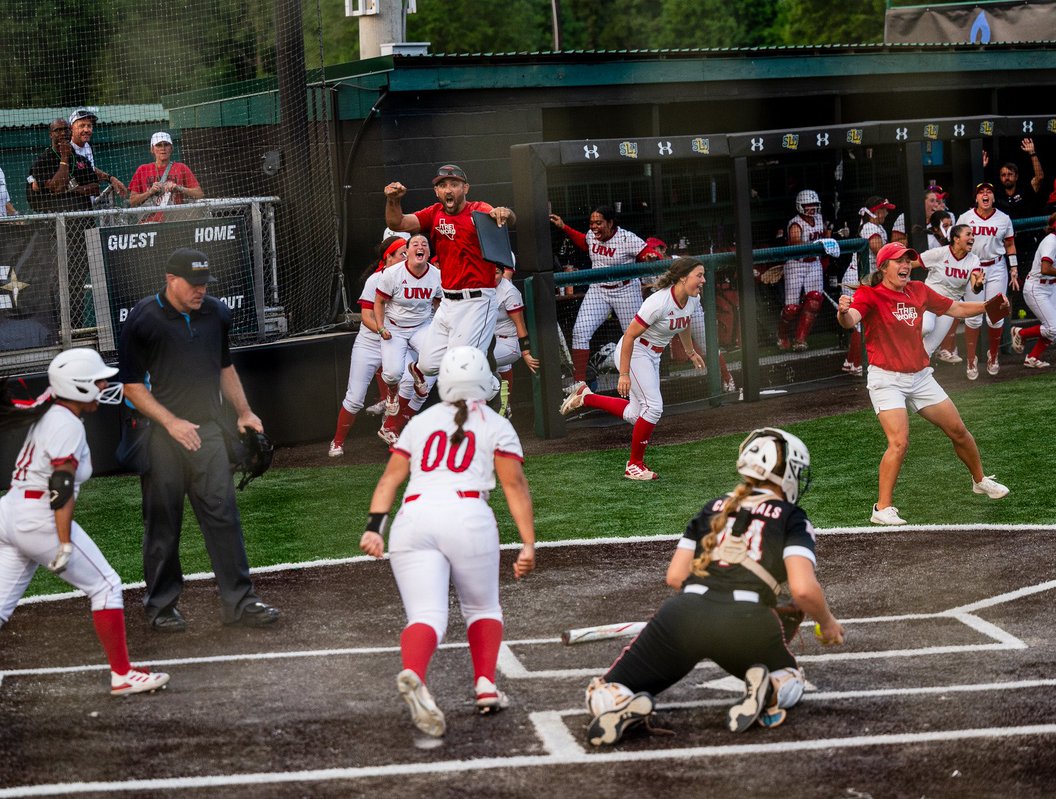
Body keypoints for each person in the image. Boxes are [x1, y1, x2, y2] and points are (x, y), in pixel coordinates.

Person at [0, 349, 170, 707]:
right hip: (38, 517)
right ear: (77, 387)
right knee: (106, 586)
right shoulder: (66, 423)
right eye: (96, 381)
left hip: (9, 514)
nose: (103, 385)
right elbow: (61, 484)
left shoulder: (53, 406)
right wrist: (63, 542)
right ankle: (122, 676)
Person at [583, 428, 843, 746]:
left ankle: (622, 705)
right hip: (747, 621)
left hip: (684, 614)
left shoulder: (712, 507)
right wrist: (828, 624)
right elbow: (803, 590)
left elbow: (676, 577)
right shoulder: (792, 517)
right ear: (786, 472)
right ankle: (769, 689)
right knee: (791, 681)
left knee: (603, 691)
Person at [359, 346, 536, 739]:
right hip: (467, 517)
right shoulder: (496, 424)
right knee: (482, 607)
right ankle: (486, 686)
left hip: (412, 519)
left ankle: (415, 673)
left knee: (426, 617)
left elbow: (389, 480)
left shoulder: (419, 424)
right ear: (484, 385)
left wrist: (375, 528)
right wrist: (528, 543)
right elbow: (513, 485)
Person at [118, 248, 280, 631]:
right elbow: (130, 387)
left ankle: (240, 603)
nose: (200, 290)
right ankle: (161, 607)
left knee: (223, 516)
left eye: (205, 283)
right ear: (170, 280)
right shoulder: (144, 319)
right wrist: (172, 423)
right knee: (163, 523)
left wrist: (244, 412)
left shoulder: (216, 314)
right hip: (160, 435)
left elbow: (224, 367)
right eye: (193, 284)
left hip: (207, 433)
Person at [836, 242, 1010, 526]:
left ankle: (980, 481)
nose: (906, 265)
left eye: (908, 260)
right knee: (899, 442)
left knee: (959, 431)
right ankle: (882, 508)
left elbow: (955, 307)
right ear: (883, 267)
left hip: (920, 376)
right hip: (886, 379)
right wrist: (843, 312)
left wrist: (988, 306)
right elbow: (850, 319)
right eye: (898, 261)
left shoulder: (918, 290)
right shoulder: (870, 294)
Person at [559, 258, 707, 481]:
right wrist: (624, 374)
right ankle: (634, 465)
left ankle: (586, 397)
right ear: (683, 277)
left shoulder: (692, 299)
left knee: (636, 414)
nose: (703, 280)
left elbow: (683, 323)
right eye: (699, 275)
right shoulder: (659, 302)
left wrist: (690, 352)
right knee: (654, 408)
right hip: (635, 352)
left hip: (653, 355)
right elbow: (629, 336)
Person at [384, 164, 515, 387]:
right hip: (447, 302)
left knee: (461, 368)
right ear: (436, 192)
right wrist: (393, 200)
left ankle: (491, 387)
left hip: (477, 301)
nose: (448, 190)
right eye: (442, 185)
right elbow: (397, 223)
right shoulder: (434, 213)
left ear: (465, 188)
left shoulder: (478, 209)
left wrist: (504, 213)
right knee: (426, 366)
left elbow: (506, 218)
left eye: (454, 184)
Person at [548, 207, 648, 384]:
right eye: (592, 223)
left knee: (635, 338)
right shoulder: (591, 235)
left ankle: (640, 381)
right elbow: (585, 243)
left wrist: (651, 257)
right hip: (599, 290)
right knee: (580, 332)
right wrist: (564, 227)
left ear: (610, 223)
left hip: (626, 290)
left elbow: (647, 253)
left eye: (598, 223)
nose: (594, 227)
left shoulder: (627, 238)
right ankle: (580, 385)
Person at [330, 237, 410, 456]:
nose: (406, 257)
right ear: (389, 257)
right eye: (402, 253)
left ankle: (390, 430)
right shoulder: (377, 279)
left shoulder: (413, 278)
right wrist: (384, 331)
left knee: (410, 388)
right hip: (371, 343)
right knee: (355, 398)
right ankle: (337, 442)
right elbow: (366, 316)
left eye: (407, 252)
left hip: (397, 343)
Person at [374, 233, 442, 439]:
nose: (420, 247)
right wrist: (380, 327)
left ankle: (418, 372)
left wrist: (440, 324)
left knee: (438, 360)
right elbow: (379, 302)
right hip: (394, 328)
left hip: (421, 325)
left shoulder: (436, 275)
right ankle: (393, 396)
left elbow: (439, 303)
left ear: (429, 253)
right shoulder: (392, 273)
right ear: (407, 251)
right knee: (393, 374)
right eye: (415, 244)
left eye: (424, 244)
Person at [955, 183, 1018, 379]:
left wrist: (1014, 267)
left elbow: (1009, 244)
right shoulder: (965, 218)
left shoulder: (1003, 218)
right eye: (981, 192)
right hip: (974, 266)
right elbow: (957, 243)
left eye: (989, 191)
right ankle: (971, 359)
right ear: (976, 198)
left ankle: (993, 355)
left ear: (993, 197)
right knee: (973, 316)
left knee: (995, 314)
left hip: (997, 266)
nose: (985, 195)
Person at [839, 196, 895, 376]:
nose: (885, 213)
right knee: (860, 324)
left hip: (864, 279)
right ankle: (857, 364)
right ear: (873, 211)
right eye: (882, 210)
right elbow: (880, 253)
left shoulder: (875, 226)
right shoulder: (870, 228)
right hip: (857, 281)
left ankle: (850, 362)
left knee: (862, 323)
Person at [919, 224, 983, 356]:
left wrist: (978, 284)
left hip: (949, 306)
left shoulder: (974, 260)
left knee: (928, 349)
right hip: (930, 299)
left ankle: (914, 374)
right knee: (925, 327)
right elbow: (911, 263)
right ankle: (901, 349)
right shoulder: (940, 253)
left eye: (973, 235)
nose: (972, 237)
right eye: (968, 234)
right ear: (956, 239)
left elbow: (975, 288)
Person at [779, 189, 828, 351]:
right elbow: (794, 242)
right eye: (808, 205)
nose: (812, 208)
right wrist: (815, 246)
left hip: (814, 263)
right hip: (796, 265)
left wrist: (830, 238)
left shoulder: (820, 219)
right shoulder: (796, 223)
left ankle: (800, 340)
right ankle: (782, 336)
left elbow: (827, 235)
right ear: (800, 206)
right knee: (791, 308)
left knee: (814, 300)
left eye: (814, 205)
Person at [491, 263, 541, 416]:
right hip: (491, 341)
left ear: (503, 272)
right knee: (497, 368)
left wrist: (525, 352)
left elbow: (520, 324)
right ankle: (504, 408)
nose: (493, 276)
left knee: (480, 363)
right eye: (490, 272)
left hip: (509, 343)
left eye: (497, 273)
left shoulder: (509, 291)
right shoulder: (481, 286)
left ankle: (499, 406)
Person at [26, 118, 100, 213]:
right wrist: (64, 158)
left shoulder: (81, 159)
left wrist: (75, 189)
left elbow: (96, 188)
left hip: (83, 218)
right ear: (51, 134)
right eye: (58, 130)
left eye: (66, 129)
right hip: (55, 219)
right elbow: (58, 188)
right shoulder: (42, 161)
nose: (63, 133)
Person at [1012, 212, 1056, 368]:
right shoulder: (1051, 241)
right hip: (1037, 288)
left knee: (1053, 327)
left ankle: (1032, 358)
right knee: (1053, 328)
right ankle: (1021, 333)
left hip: (1051, 286)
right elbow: (1045, 268)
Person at [128, 131, 204, 221]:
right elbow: (132, 201)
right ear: (152, 149)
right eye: (159, 145)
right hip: (149, 223)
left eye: (166, 145)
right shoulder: (142, 169)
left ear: (171, 148)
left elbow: (199, 194)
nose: (163, 148)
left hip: (175, 222)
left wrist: (178, 187)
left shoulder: (181, 168)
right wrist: (150, 192)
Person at [68, 107, 129, 201]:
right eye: (82, 125)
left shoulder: (87, 146)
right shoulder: (67, 149)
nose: (86, 129)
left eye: (89, 126)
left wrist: (110, 178)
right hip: (71, 206)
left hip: (88, 206)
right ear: (71, 128)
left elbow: (90, 168)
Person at [986, 139, 1045, 219]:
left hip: (1026, 229)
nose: (1007, 177)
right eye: (1003, 175)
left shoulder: (1025, 190)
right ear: (1000, 178)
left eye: (1010, 174)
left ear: (1016, 176)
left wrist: (1032, 153)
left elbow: (1040, 177)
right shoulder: (996, 194)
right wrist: (981, 167)